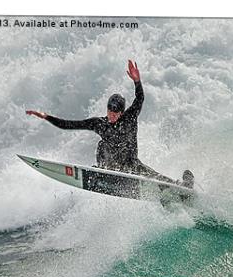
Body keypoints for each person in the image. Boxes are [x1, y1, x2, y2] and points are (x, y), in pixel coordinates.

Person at [26, 60, 192, 187]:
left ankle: (182, 185)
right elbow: (68, 124)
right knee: (101, 144)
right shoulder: (100, 124)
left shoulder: (130, 117)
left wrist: (137, 81)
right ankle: (103, 172)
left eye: (115, 113)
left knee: (158, 179)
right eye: (109, 112)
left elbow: (139, 98)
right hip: (111, 166)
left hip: (132, 165)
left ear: (121, 112)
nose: (111, 116)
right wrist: (45, 116)